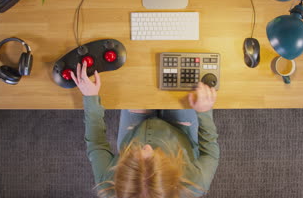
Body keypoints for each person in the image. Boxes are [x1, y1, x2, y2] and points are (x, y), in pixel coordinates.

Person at [71, 61, 219, 198]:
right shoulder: (195, 184)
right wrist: (204, 112)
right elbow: (210, 153)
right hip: (180, 131)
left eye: (134, 155)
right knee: (179, 80)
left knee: (134, 73)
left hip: (135, 131)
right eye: (153, 153)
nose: (147, 146)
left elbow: (96, 143)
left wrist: (90, 97)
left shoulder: (108, 187)